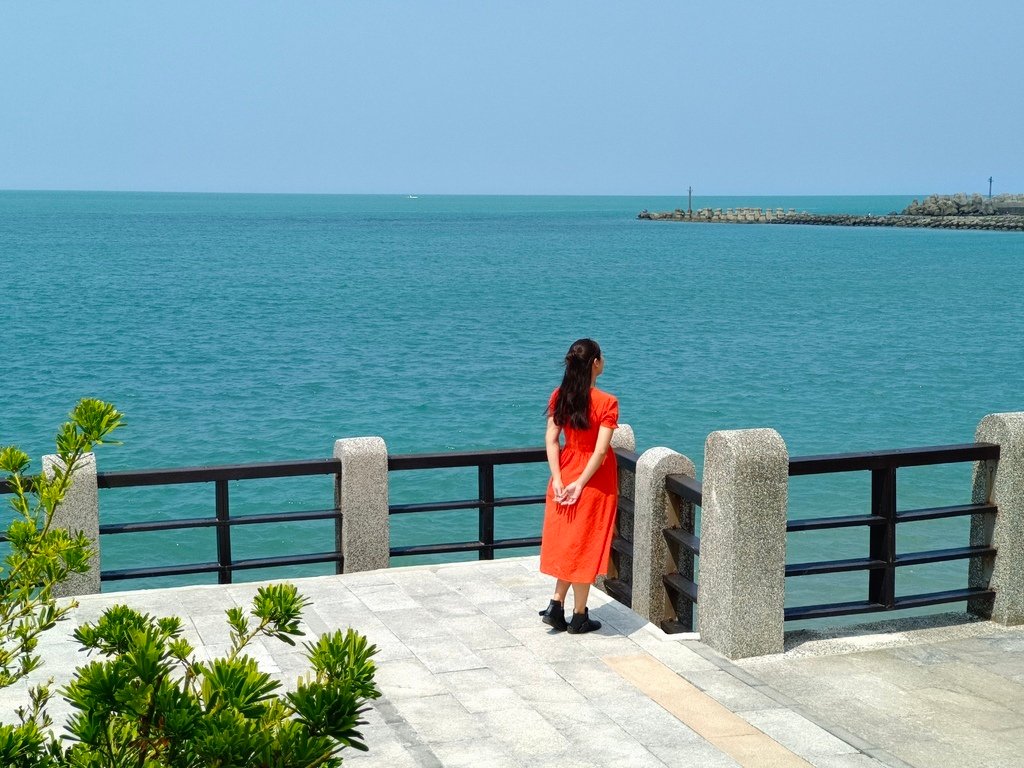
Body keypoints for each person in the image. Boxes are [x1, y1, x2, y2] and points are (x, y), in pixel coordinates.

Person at [538, 338, 619, 634]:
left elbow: (551, 439)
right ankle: (579, 615)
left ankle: (557, 604)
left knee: (570, 542)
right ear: (595, 362)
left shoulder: (560, 395)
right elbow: (599, 451)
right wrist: (580, 483)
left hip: (565, 467)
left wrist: (559, 479)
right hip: (594, 480)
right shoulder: (606, 401)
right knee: (586, 543)